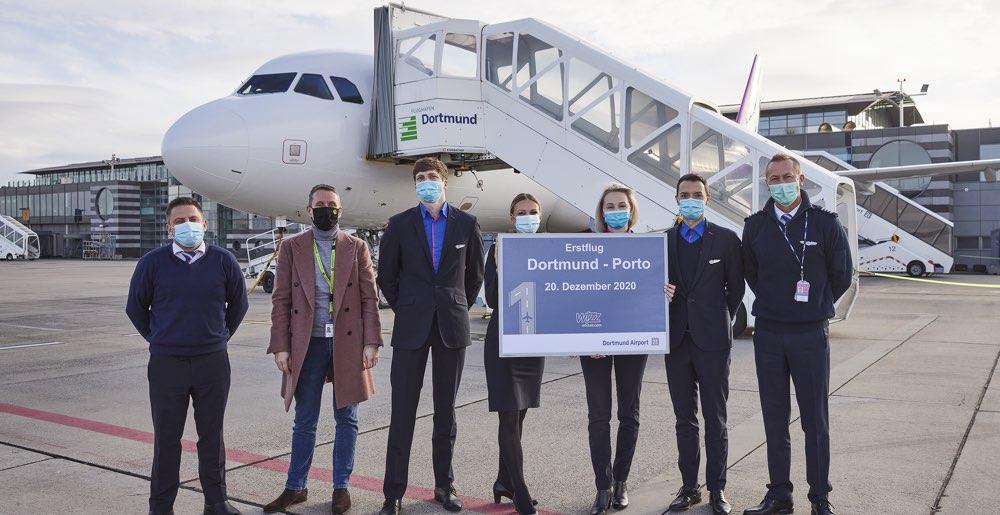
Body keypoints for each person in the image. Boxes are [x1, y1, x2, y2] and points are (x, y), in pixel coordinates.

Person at [741, 154, 852, 515]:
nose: (780, 183)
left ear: (801, 180)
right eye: (773, 178)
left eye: (787, 176)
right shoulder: (755, 227)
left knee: (814, 421)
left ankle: (819, 496)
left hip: (809, 335)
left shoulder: (824, 224)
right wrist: (778, 305)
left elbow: (842, 274)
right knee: (774, 418)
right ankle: (779, 494)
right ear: (766, 184)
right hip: (769, 333)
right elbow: (751, 275)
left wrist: (814, 306)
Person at [263, 184, 383, 514]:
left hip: (348, 341)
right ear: (308, 210)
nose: (326, 209)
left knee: (348, 419)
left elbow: (369, 298)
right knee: (305, 420)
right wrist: (281, 347)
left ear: (340, 211)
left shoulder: (356, 247)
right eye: (320, 204)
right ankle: (295, 486)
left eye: (332, 205)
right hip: (308, 342)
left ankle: (340, 487)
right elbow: (281, 301)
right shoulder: (291, 247)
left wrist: (371, 341)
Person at [126, 196, 249, 515]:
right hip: (168, 365)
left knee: (212, 435)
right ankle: (161, 506)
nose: (187, 226)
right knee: (167, 438)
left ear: (204, 224)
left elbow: (239, 305)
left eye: (192, 219)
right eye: (179, 222)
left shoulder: (224, 261)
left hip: (212, 363)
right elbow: (135, 308)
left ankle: (216, 501)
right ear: (169, 229)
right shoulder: (152, 263)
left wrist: (218, 338)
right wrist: (160, 339)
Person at [377, 157, 486, 515]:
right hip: (411, 327)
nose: (427, 182)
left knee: (446, 412)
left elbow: (474, 278)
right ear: (415, 185)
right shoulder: (399, 224)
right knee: (403, 411)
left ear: (445, 182)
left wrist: (454, 304)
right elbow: (386, 277)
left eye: (432, 177)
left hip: (451, 327)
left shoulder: (467, 224)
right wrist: (409, 307)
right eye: (421, 178)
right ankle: (393, 492)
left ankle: (445, 485)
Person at [662, 174, 744, 515]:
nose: (691, 199)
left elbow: (736, 291)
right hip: (677, 340)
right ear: (676, 198)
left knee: (716, 418)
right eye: (685, 194)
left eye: (697, 194)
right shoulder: (663, 241)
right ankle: (689, 486)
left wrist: (716, 317)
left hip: (712, 340)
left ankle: (717, 489)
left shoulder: (726, 240)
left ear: (707, 199)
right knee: (685, 419)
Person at [582, 183, 647, 515]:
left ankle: (621, 481)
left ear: (631, 210)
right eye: (610, 205)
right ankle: (602, 487)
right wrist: (587, 337)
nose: (616, 210)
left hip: (633, 341)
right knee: (598, 415)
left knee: (628, 413)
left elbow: (649, 297)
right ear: (602, 211)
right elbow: (573, 293)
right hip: (593, 342)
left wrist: (663, 294)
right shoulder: (585, 246)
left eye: (622, 205)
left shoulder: (648, 248)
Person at [484, 193, 546, 515]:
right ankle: (519, 491)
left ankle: (503, 480)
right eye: (521, 212)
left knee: (520, 416)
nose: (527, 217)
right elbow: (493, 299)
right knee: (509, 415)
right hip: (504, 342)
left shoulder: (547, 250)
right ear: (511, 218)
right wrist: (497, 264)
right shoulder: (498, 248)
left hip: (532, 344)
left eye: (532, 212)